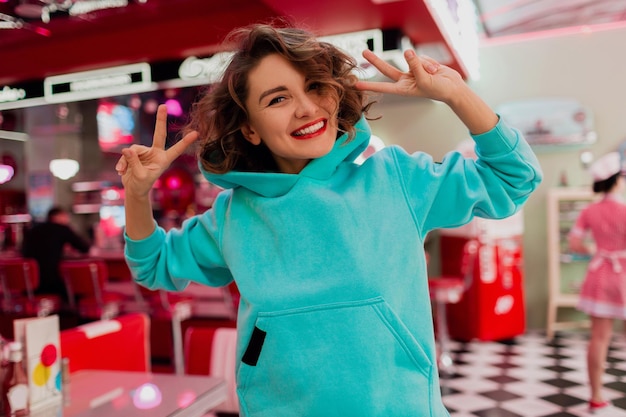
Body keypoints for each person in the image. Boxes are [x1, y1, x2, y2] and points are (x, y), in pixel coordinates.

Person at [117, 22, 542, 416]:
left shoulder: (395, 178)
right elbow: (154, 264)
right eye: (278, 98)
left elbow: (513, 179)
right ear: (249, 128)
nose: (306, 109)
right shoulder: (234, 214)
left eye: (315, 86)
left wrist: (456, 95)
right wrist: (136, 195)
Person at [568, 151, 626, 414]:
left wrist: (595, 250)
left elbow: (574, 241)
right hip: (623, 274)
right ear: (617, 180)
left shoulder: (590, 210)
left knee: (599, 339)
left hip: (600, 275)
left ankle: (596, 396)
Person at [21, 206, 91, 300]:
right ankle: (70, 313)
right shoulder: (62, 228)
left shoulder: (33, 230)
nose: (67, 219)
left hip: (29, 284)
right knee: (80, 289)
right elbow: (84, 247)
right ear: (57, 216)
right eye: (65, 216)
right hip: (52, 284)